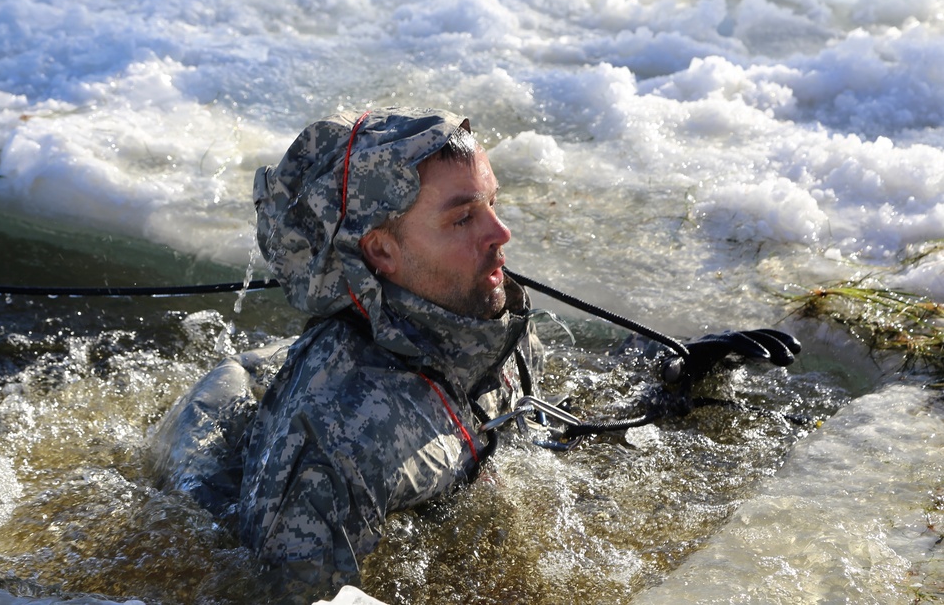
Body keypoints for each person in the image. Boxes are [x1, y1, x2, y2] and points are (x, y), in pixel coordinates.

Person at [150, 106, 799, 603]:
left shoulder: (479, 314)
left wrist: (666, 384)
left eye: (490, 203)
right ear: (380, 251)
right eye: (462, 217)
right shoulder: (339, 446)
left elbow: (537, 424)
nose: (500, 232)